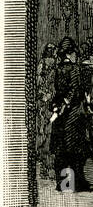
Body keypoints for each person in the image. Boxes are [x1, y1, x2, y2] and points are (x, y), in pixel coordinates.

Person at [49, 36, 93, 192]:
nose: (76, 55)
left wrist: (57, 107)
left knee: (62, 151)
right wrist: (66, 104)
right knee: (77, 151)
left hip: (62, 116)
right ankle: (79, 183)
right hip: (74, 114)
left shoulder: (58, 69)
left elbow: (58, 91)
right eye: (74, 52)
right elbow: (74, 90)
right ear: (69, 53)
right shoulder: (75, 68)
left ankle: (64, 184)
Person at [36, 43, 57, 180]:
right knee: (45, 136)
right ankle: (46, 167)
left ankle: (48, 167)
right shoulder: (43, 65)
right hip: (45, 105)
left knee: (48, 136)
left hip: (50, 104)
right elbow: (38, 83)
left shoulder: (54, 65)